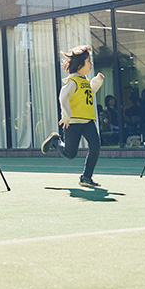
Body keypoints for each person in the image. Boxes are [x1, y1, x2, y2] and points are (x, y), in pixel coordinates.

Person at [41, 45, 105, 187]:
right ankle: (55, 141)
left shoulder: (84, 81)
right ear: (80, 65)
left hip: (88, 121)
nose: (91, 64)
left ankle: (86, 177)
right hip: (73, 122)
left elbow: (89, 92)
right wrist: (66, 116)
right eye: (89, 61)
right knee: (70, 154)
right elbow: (63, 97)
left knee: (95, 146)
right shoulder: (73, 81)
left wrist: (97, 81)